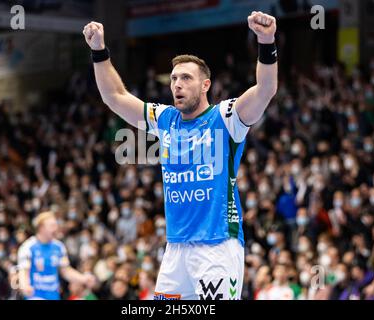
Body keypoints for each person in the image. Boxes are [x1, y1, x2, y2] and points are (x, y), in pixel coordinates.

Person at [83, 10, 278, 300]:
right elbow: (114, 97)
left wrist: (266, 40)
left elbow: (265, 89)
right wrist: (99, 51)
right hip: (176, 247)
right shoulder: (165, 119)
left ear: (205, 85)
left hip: (217, 245)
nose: (177, 84)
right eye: (174, 78)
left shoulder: (225, 117)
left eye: (186, 78)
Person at [17, 211, 96, 300]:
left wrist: (83, 278)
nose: (56, 228)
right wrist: (25, 285)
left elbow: (66, 271)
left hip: (53, 295)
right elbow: (23, 271)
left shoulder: (59, 247)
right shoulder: (28, 247)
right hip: (35, 295)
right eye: (52, 226)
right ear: (41, 228)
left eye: (56, 225)